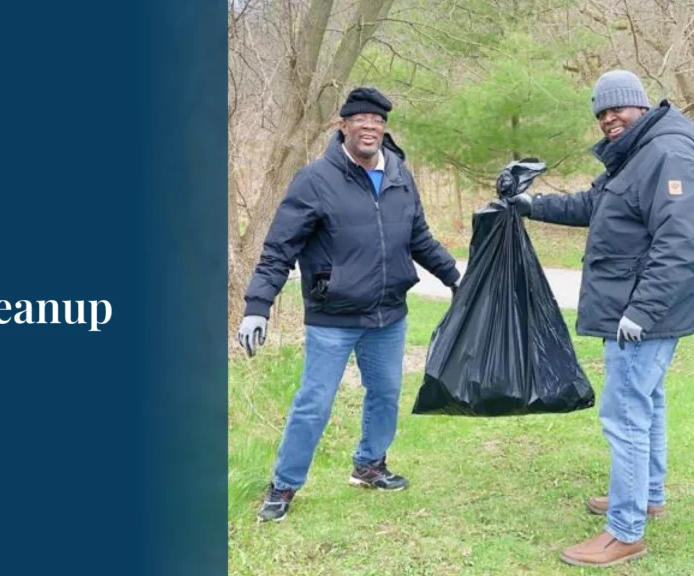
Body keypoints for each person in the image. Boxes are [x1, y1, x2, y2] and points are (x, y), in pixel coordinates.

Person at [237, 87, 460, 522]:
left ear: (384, 128)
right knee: (314, 401)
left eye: (377, 121)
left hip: (388, 314)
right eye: (361, 120)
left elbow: (420, 238)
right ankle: (284, 485)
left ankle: (369, 465)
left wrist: (456, 279)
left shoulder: (399, 175)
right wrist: (257, 305)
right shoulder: (316, 179)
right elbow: (278, 249)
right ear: (344, 127)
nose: (370, 127)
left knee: (386, 393)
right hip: (333, 317)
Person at [506, 70, 694, 567]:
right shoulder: (633, 155)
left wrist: (642, 311)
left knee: (625, 414)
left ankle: (625, 530)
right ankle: (646, 496)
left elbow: (680, 239)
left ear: (640, 106)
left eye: (617, 109)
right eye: (601, 112)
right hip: (634, 309)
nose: (609, 118)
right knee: (645, 404)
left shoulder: (665, 153)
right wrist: (530, 204)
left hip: (640, 312)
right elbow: (594, 205)